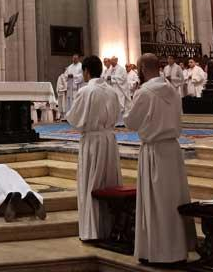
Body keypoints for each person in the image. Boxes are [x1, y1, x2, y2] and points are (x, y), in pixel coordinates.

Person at [124, 53, 196, 265]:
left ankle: (159, 251)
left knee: (156, 202)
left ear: (144, 68)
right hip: (173, 151)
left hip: (154, 151)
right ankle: (178, 249)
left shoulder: (144, 92)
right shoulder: (172, 90)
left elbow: (131, 122)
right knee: (173, 200)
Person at [66, 55, 121, 241]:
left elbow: (73, 119)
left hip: (92, 142)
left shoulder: (86, 91)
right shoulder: (112, 91)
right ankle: (111, 226)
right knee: (108, 181)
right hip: (109, 140)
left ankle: (92, 230)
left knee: (92, 182)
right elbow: (118, 114)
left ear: (86, 71)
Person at [106, 57, 131, 126]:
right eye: (111, 61)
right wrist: (108, 78)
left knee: (120, 105)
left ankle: (122, 122)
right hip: (112, 89)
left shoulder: (121, 69)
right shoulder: (110, 69)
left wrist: (112, 78)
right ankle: (116, 122)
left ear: (116, 61)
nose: (111, 62)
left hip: (119, 89)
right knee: (113, 105)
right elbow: (106, 77)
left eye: (113, 60)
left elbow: (122, 79)